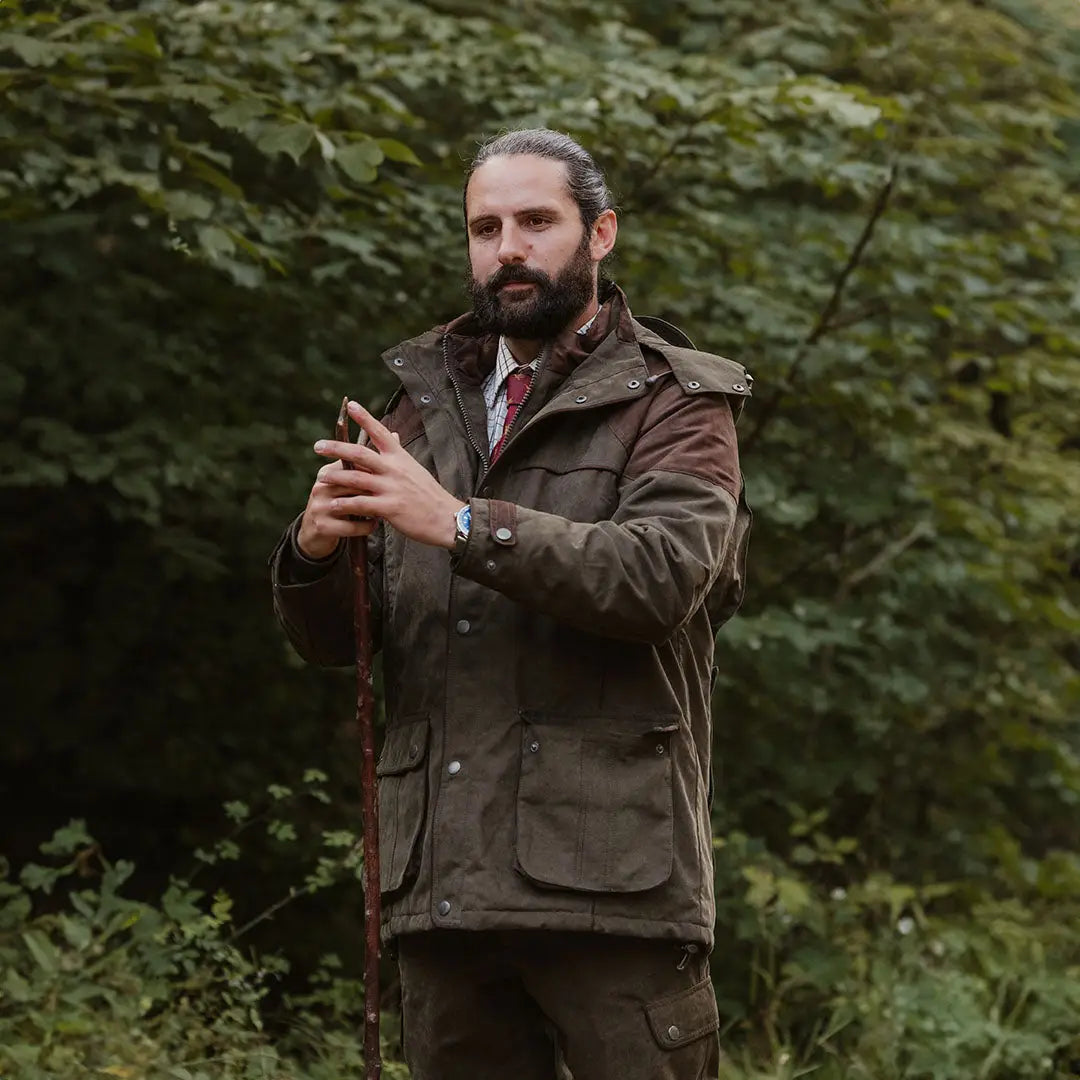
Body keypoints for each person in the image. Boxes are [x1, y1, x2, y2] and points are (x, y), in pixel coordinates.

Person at [270, 128, 752, 1080]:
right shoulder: (417, 407)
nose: (509, 248)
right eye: (485, 227)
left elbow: (659, 579)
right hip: (442, 889)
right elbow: (345, 645)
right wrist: (317, 549)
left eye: (537, 221)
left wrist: (455, 523)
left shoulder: (678, 402)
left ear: (601, 232)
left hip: (611, 882)